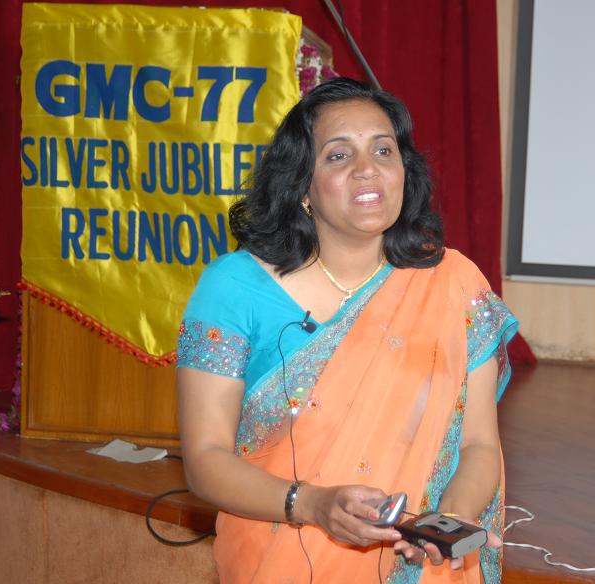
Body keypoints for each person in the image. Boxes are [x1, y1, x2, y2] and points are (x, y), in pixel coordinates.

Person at [177, 77, 518, 583]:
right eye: (339, 155)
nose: (367, 169)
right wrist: (311, 504)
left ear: (404, 171)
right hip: (280, 556)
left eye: (383, 150)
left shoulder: (453, 283)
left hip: (416, 566)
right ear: (302, 186)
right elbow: (205, 459)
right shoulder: (234, 288)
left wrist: (451, 521)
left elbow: (479, 446)